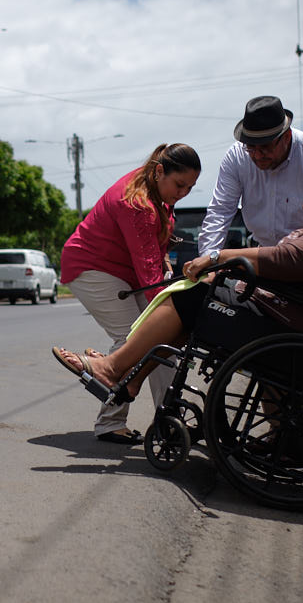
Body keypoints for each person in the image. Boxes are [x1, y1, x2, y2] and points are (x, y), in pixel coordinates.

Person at [53, 165, 303, 407]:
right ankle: (131, 379)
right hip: (290, 318)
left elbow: (284, 260)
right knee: (197, 302)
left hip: (291, 328)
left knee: (193, 297)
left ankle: (113, 368)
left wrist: (218, 259)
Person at [58, 143, 201, 444]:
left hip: (121, 269)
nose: (183, 193)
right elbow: (149, 271)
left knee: (159, 341)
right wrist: (173, 316)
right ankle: (111, 423)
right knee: (137, 339)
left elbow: (153, 254)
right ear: (161, 171)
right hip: (91, 268)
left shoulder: (155, 187)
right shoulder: (137, 204)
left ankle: (167, 419)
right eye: (180, 185)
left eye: (190, 187)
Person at [196, 96, 303, 255]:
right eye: (251, 148)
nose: (257, 155)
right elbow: (220, 211)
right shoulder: (237, 157)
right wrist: (208, 260)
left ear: (287, 136)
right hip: (261, 254)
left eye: (265, 147)